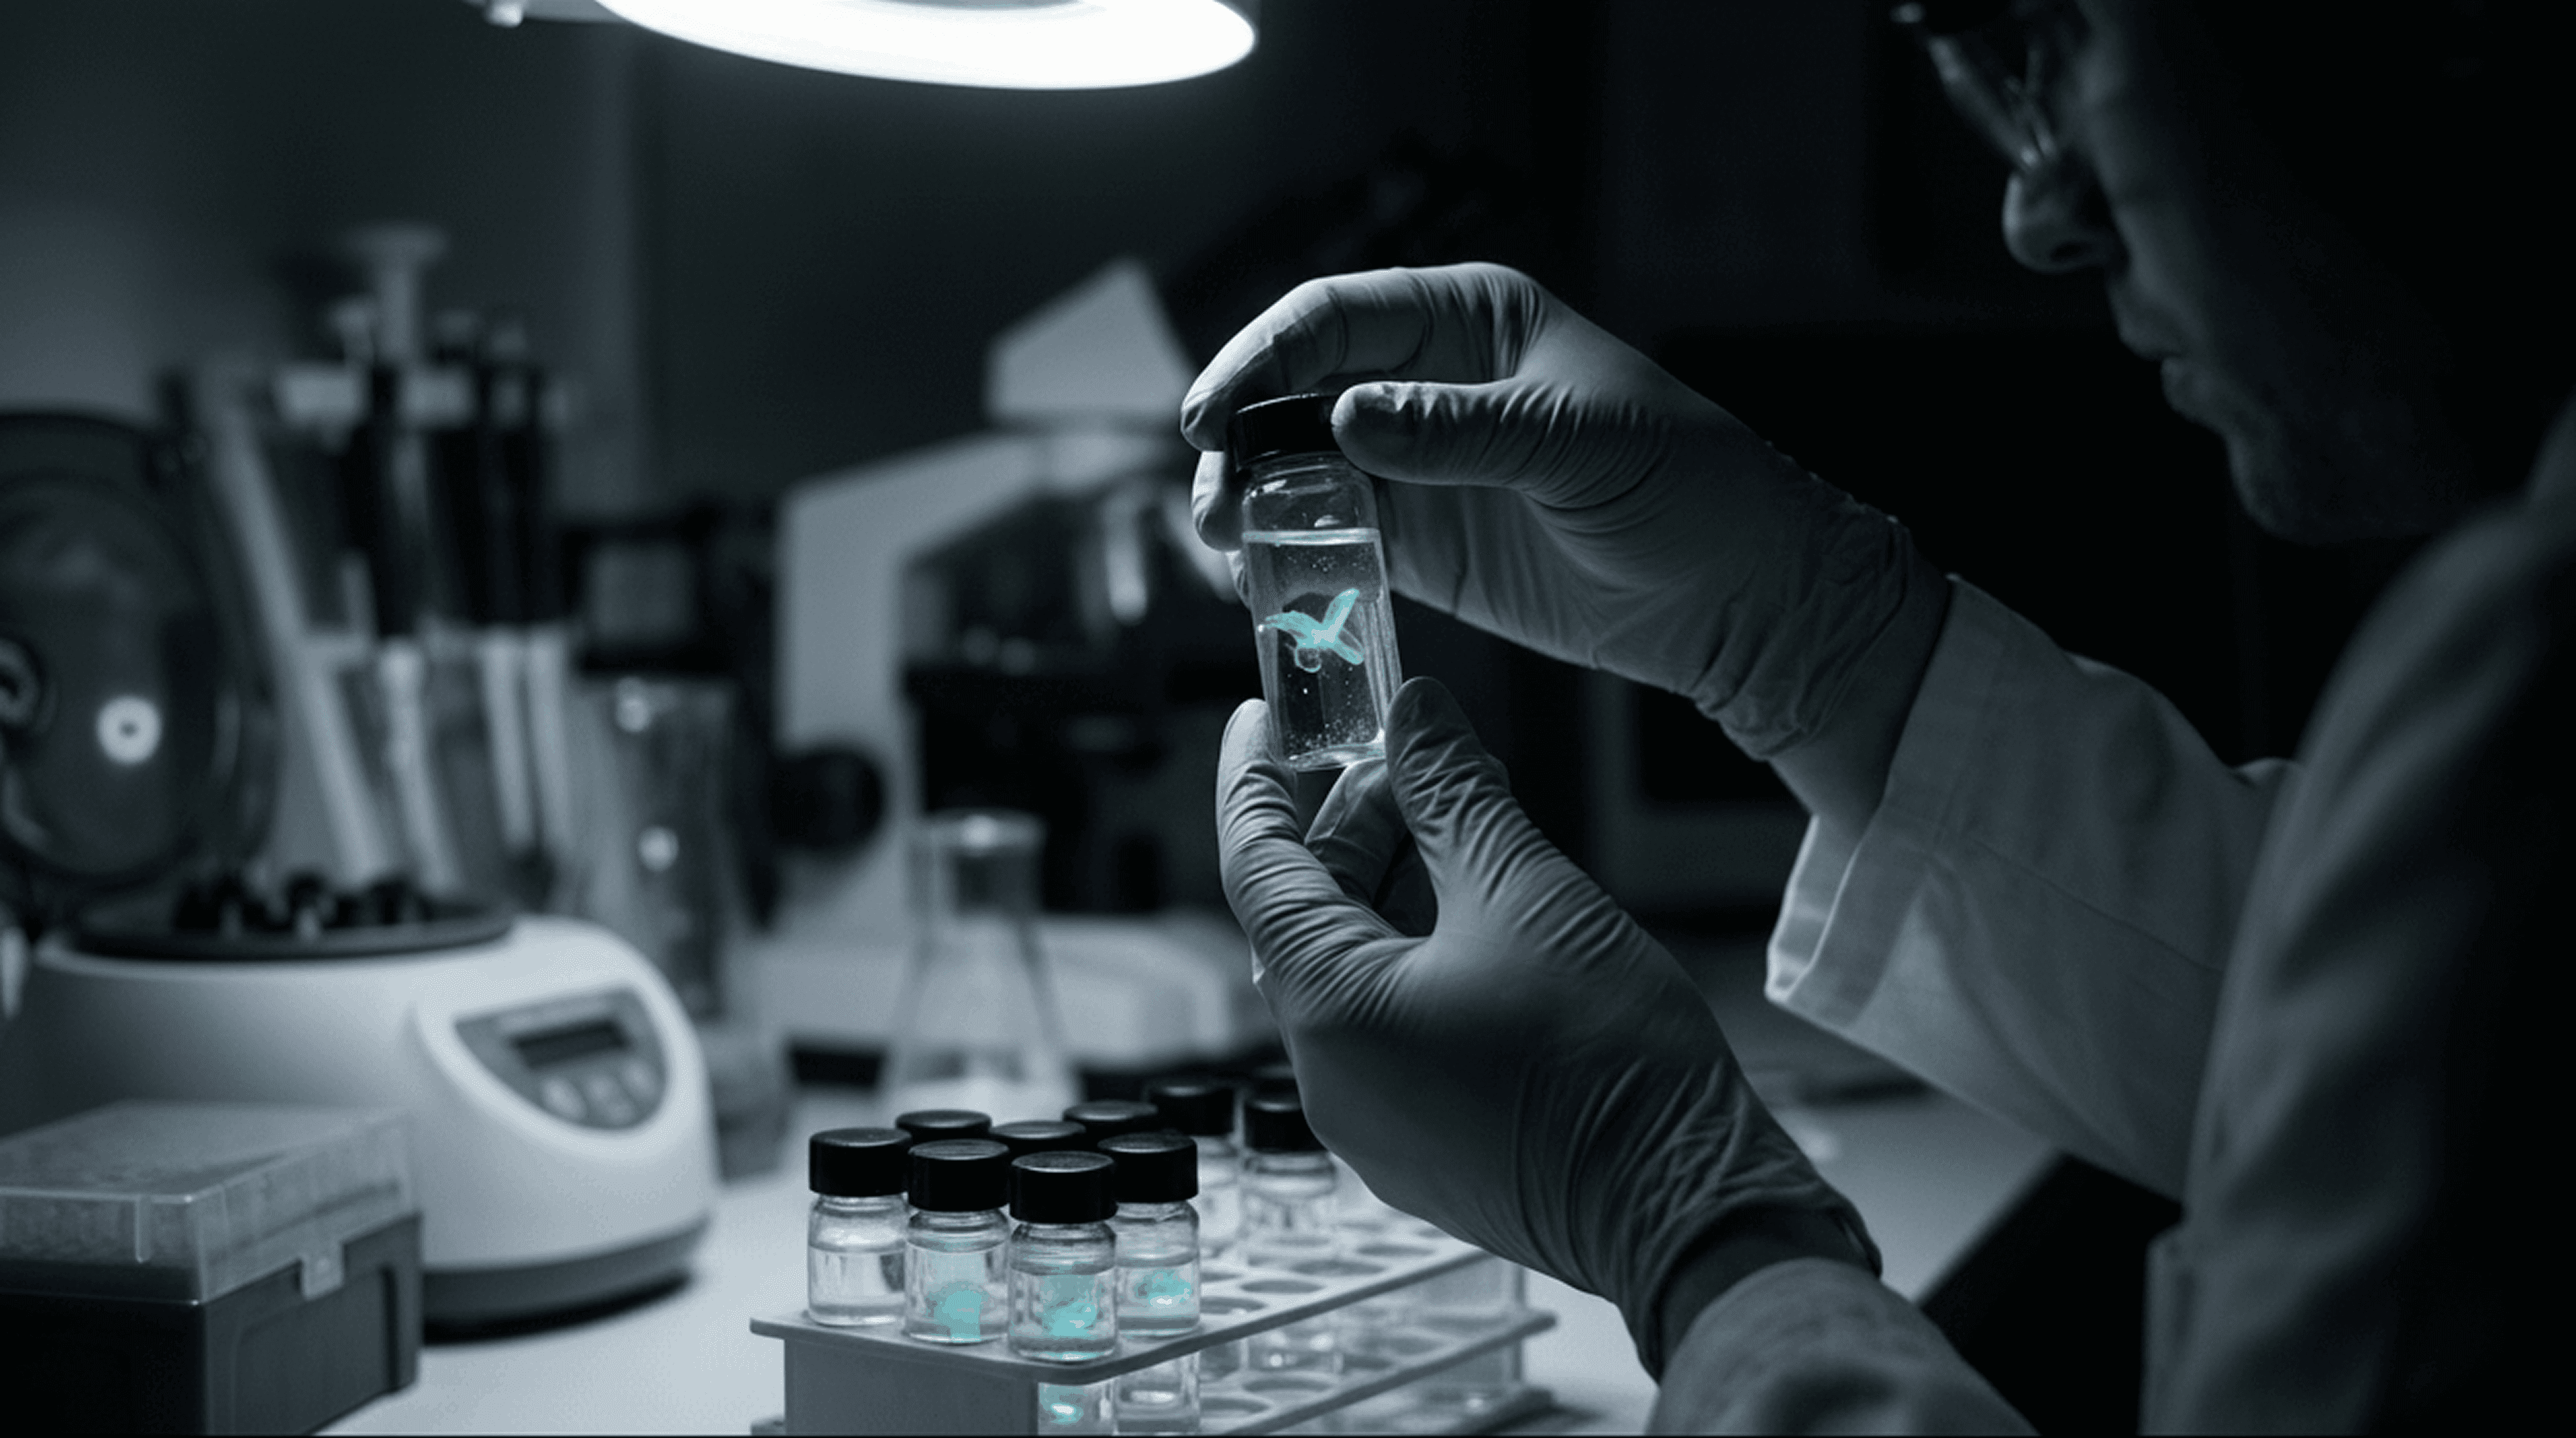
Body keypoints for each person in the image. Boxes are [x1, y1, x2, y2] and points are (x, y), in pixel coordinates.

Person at [1184, 0, 2573, 1430]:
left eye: (2068, 39)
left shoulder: (2520, 665)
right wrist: (1806, 635)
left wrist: (1691, 1221)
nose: (2040, 212)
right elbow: (2401, 1071)